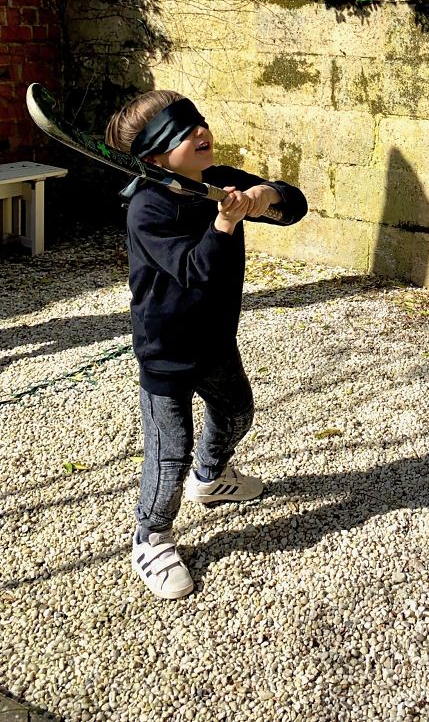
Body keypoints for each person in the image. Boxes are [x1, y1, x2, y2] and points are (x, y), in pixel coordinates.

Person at [105, 89, 307, 599]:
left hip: (216, 338)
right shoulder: (147, 210)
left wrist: (269, 196)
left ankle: (212, 478)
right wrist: (225, 223)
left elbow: (295, 205)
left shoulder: (217, 182)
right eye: (180, 131)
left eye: (198, 123)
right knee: (170, 452)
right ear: (153, 156)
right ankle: (150, 537)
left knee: (238, 412)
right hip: (167, 349)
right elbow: (196, 271)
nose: (199, 134)